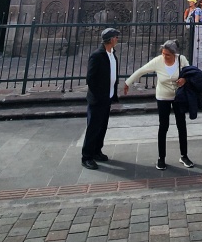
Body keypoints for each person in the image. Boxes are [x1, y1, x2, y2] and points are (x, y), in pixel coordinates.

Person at [123, 40, 194, 170]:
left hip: (178, 96)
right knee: (163, 126)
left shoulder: (181, 59)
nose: (164, 56)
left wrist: (184, 79)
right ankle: (161, 158)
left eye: (167, 54)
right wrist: (128, 82)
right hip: (163, 96)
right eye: (163, 53)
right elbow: (141, 70)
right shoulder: (158, 61)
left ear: (174, 54)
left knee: (181, 125)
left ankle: (184, 155)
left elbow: (189, 72)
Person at [81, 28, 121, 170]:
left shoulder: (112, 55)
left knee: (102, 126)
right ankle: (87, 157)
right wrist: (99, 95)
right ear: (110, 39)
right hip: (98, 99)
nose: (117, 39)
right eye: (116, 37)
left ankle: (97, 151)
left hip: (108, 97)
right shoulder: (97, 55)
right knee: (93, 127)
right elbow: (90, 78)